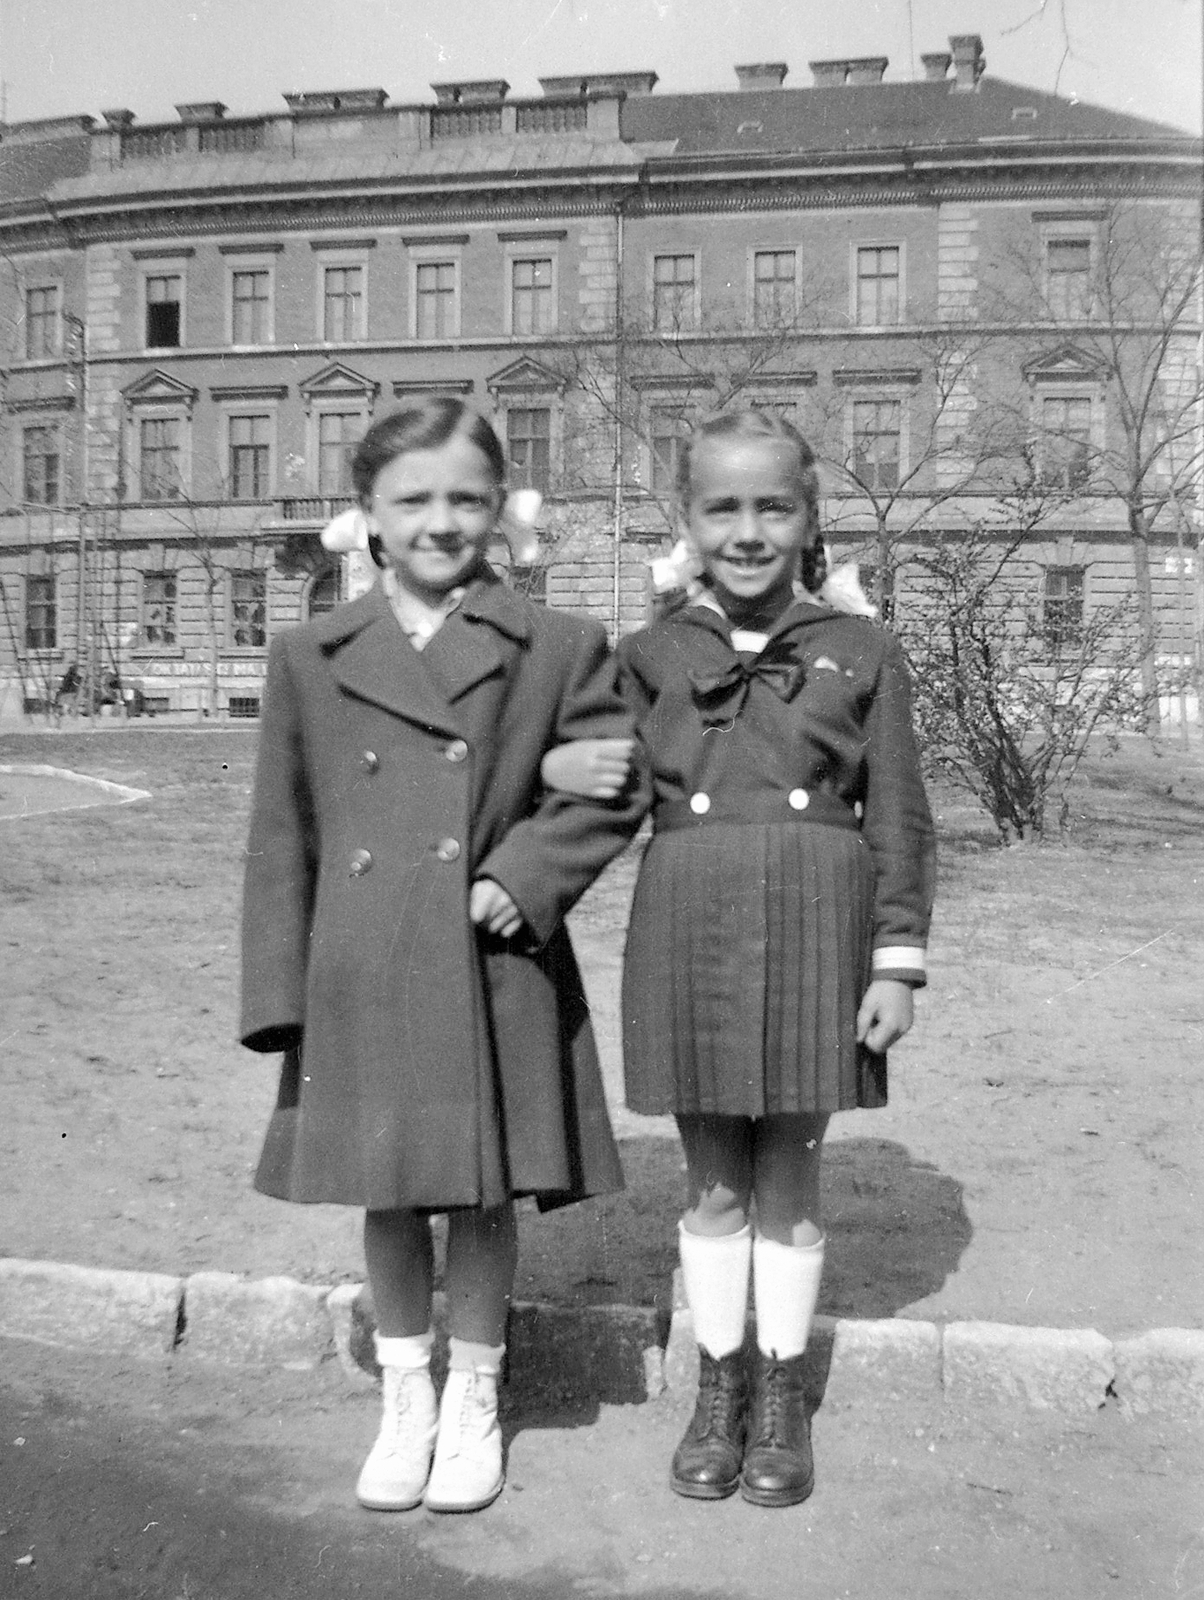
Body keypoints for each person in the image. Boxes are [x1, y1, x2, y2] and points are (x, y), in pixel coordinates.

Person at [240, 397, 647, 1515]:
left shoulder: (557, 643)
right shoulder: (310, 653)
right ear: (367, 514)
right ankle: (405, 1392)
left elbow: (617, 779)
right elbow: (281, 834)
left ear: (501, 508)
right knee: (385, 1188)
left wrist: (527, 874)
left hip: (492, 957)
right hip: (362, 960)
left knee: (480, 1190)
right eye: (412, 498)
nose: (440, 521)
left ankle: (474, 1391)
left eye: (467, 497)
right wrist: (278, 994)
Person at [558, 409, 935, 1508]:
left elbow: (900, 816)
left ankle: (781, 1389)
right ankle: (716, 1386)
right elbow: (600, 799)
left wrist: (895, 963)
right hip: (691, 917)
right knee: (713, 1174)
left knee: (792, 1173)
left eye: (773, 506)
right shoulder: (649, 654)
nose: (749, 530)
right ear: (687, 521)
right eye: (722, 508)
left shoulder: (862, 649)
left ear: (809, 518)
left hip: (821, 921)